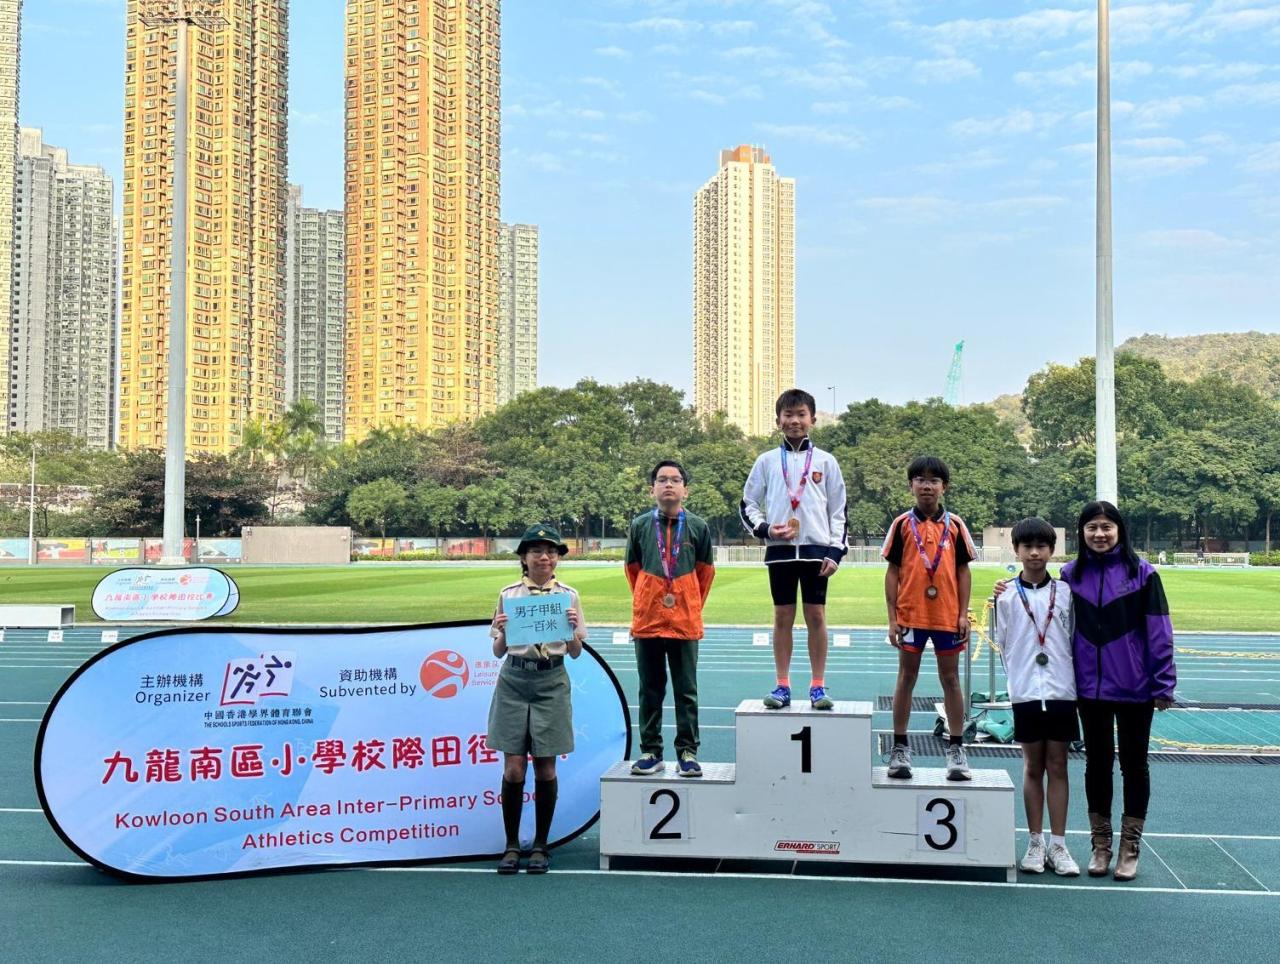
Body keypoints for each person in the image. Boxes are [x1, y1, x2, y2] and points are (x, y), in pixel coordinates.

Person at [1062, 501, 1175, 881]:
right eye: (1092, 527)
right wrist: (1006, 589)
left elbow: (1160, 631)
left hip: (1134, 687)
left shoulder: (1143, 574)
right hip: (1088, 689)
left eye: (1106, 526)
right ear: (1082, 533)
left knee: (1133, 765)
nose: (1099, 534)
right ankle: (1101, 846)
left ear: (1119, 530)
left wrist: (1163, 682)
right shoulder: (1069, 575)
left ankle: (1130, 847)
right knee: (1096, 765)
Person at [488, 523, 586, 875]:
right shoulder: (509, 595)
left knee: (546, 766)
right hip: (514, 679)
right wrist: (502, 631)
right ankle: (512, 845)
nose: (544, 557)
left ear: (557, 558)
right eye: (536, 551)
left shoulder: (569, 596)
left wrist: (572, 630)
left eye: (550, 552)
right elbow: (498, 650)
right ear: (524, 558)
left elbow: (575, 652)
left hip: (551, 679)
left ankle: (542, 844)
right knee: (513, 767)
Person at [740, 388, 848, 710]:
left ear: (812, 419)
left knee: (816, 615)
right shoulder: (766, 461)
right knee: (782, 616)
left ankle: (818, 686)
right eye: (788, 415)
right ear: (778, 420)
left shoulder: (826, 461)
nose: (795, 420)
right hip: (780, 551)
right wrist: (765, 529)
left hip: (817, 551)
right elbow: (747, 504)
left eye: (801, 414)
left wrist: (835, 551)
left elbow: (839, 510)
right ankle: (782, 685)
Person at [992, 518, 1080, 876]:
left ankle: (1058, 844)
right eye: (1027, 547)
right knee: (1032, 766)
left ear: (1051, 550)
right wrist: (1018, 682)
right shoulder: (1005, 596)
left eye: (1041, 546)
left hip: (1061, 690)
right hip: (1026, 691)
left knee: (1058, 765)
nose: (1034, 553)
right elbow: (1003, 644)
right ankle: (1034, 841)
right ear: (1016, 550)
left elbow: (1072, 637)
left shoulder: (1066, 593)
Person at [882, 455, 976, 781]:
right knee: (906, 678)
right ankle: (900, 748)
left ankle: (956, 749)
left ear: (943, 487)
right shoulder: (901, 525)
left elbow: (963, 572)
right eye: (920, 479)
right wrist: (892, 618)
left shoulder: (956, 525)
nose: (926, 486)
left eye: (933, 480)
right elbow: (892, 572)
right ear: (911, 485)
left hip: (947, 616)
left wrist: (963, 614)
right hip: (911, 615)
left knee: (951, 679)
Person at [625, 460, 716, 777]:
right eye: (662, 479)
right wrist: (649, 599)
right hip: (648, 622)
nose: (668, 484)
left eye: (675, 480)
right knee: (649, 690)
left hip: (685, 622)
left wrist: (687, 602)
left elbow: (705, 574)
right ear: (652, 489)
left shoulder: (698, 527)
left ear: (685, 490)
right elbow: (632, 571)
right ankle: (651, 751)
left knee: (686, 691)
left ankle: (688, 752)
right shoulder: (639, 526)